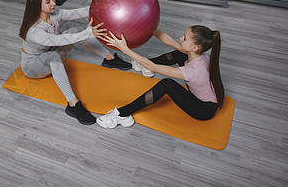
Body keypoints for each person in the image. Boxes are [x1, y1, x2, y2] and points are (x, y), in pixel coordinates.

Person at [19, 0, 132, 125]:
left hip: (48, 53)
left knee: (76, 30)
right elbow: (59, 40)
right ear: (37, 5)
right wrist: (88, 33)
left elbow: (77, 13)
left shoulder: (54, 15)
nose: (53, 3)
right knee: (55, 55)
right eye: (48, 2)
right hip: (33, 66)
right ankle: (73, 104)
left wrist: (101, 6)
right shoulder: (35, 30)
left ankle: (110, 59)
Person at [96, 26, 224, 128]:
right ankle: (142, 65)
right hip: (204, 96)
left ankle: (121, 115)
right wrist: (148, 26)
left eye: (184, 38)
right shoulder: (199, 54)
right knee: (180, 54)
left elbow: (154, 68)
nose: (180, 38)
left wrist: (125, 49)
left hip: (203, 109)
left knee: (167, 84)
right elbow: (168, 40)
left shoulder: (194, 71)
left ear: (195, 47)